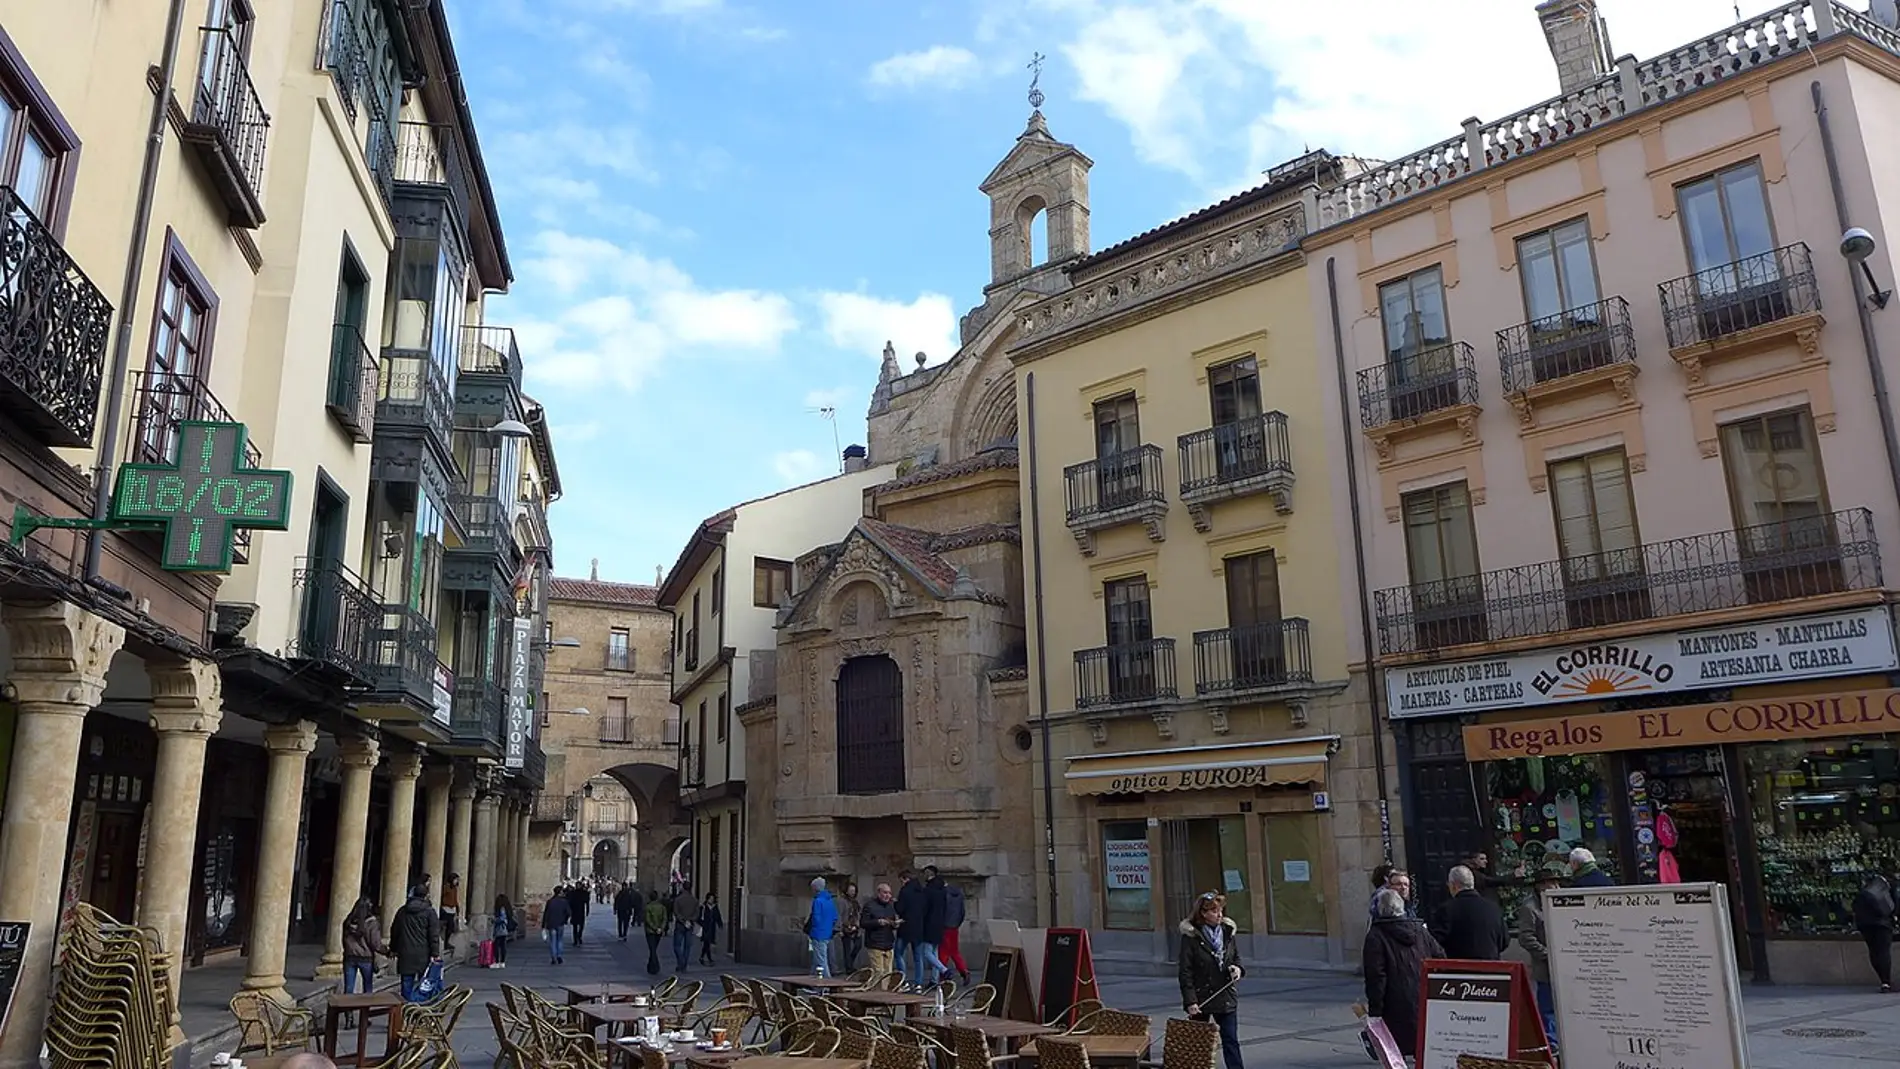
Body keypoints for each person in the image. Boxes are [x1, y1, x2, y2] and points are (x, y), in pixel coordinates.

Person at [1364, 888, 1443, 1064]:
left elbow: (1376, 976)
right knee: (1422, 1049)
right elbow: (1440, 958)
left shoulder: (1376, 935)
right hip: (1423, 996)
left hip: (1394, 1001)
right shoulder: (1420, 930)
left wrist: (1375, 1009)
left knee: (1395, 1054)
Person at [1178, 892, 1245, 1069]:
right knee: (1199, 1044)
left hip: (1225, 995)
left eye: (1220, 910)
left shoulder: (1228, 932)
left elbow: (1236, 958)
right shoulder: (1191, 937)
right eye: (1214, 911)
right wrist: (1190, 1001)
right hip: (1202, 998)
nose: (1219, 915)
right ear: (1203, 913)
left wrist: (1237, 969)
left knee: (1231, 1040)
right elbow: (1185, 972)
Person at [1517, 864, 1564, 1045]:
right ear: (1540, 886)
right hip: (1546, 967)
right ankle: (1552, 1045)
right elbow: (1525, 937)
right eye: (1551, 883)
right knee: (1548, 1008)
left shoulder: (1561, 901)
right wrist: (1547, 954)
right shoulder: (1530, 908)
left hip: (1566, 964)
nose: (1556, 887)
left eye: (1556, 883)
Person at [1441, 865, 1508, 960]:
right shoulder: (1493, 908)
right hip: (1490, 965)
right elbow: (1504, 941)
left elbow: (1437, 942)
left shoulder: (1447, 909)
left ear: (1454, 885)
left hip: (1457, 966)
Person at [389, 883, 442, 1001]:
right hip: (423, 954)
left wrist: (393, 949)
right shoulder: (429, 912)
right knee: (425, 985)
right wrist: (435, 953)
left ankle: (407, 1008)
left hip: (405, 953)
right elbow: (433, 935)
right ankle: (423, 1007)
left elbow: (395, 931)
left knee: (406, 984)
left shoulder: (402, 911)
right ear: (426, 895)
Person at [1853, 871, 1895, 992]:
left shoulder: (1864, 892)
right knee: (1883, 951)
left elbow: (1854, 907)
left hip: (1865, 925)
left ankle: (1883, 980)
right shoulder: (1887, 888)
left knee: (1874, 951)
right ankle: (1886, 981)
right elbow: (1893, 907)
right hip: (1882, 924)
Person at [340, 897, 388, 995]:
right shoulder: (371, 923)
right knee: (368, 988)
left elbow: (344, 940)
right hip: (366, 958)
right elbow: (375, 943)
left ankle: (347, 1005)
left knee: (348, 988)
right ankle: (366, 1005)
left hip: (350, 957)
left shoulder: (348, 921)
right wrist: (386, 951)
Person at [894, 869, 926, 985]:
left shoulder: (905, 891)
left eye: (901, 880)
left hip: (905, 926)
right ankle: (919, 983)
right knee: (918, 957)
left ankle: (903, 981)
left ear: (905, 879)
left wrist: (896, 903)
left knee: (898, 954)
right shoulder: (921, 891)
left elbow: (900, 908)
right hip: (918, 927)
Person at [938, 872, 970, 984]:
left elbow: (941, 911)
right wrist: (957, 923)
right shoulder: (958, 893)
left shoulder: (943, 893)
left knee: (943, 952)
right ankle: (964, 970)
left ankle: (943, 975)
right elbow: (962, 912)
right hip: (955, 926)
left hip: (944, 926)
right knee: (954, 951)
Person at [862, 882, 900, 977]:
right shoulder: (869, 905)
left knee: (888, 973)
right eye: (885, 892)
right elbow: (863, 923)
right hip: (875, 943)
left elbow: (892, 921)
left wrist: (895, 924)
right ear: (879, 893)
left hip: (888, 944)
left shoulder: (890, 906)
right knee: (878, 973)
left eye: (889, 893)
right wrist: (878, 922)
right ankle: (876, 987)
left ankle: (884, 987)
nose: (888, 895)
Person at [806, 876, 838, 977]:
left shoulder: (818, 901)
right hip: (827, 932)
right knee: (818, 958)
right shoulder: (829, 900)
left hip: (818, 933)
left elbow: (816, 918)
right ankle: (812, 979)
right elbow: (835, 917)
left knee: (821, 960)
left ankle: (826, 981)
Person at [542, 886, 572, 965]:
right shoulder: (564, 902)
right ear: (560, 892)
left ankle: (553, 957)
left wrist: (544, 925)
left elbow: (546, 914)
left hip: (551, 923)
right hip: (560, 923)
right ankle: (559, 956)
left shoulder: (550, 902)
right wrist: (565, 919)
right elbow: (569, 912)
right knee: (559, 940)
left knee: (553, 941)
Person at [838, 882, 864, 973]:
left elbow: (858, 914)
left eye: (854, 890)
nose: (852, 892)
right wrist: (840, 929)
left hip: (856, 927)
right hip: (846, 927)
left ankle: (850, 962)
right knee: (847, 949)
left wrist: (858, 925)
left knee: (858, 945)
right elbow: (839, 915)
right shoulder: (842, 901)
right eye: (851, 890)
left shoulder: (856, 902)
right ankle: (848, 967)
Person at [644, 890, 670, 975]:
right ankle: (650, 966)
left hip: (650, 931)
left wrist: (654, 928)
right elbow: (665, 918)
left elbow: (648, 919)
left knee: (652, 949)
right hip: (659, 931)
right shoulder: (662, 907)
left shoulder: (648, 907)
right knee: (654, 948)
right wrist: (661, 928)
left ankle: (655, 966)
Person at [672, 887, 698, 971]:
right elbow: (697, 914)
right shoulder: (694, 900)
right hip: (690, 925)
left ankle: (681, 962)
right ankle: (684, 965)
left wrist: (683, 920)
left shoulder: (678, 900)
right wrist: (690, 920)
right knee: (687, 946)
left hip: (680, 925)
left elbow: (676, 912)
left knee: (677, 945)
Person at [490, 894, 515, 969]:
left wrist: (494, 920)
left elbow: (502, 918)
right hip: (504, 929)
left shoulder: (502, 909)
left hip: (500, 929)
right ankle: (502, 962)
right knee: (502, 946)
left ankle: (497, 962)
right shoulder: (506, 908)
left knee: (496, 945)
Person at [698, 892, 723, 965]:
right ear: (707, 899)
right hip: (705, 927)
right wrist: (702, 924)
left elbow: (718, 915)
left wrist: (720, 923)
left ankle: (702, 957)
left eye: (712, 899)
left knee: (707, 943)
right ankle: (709, 959)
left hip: (712, 927)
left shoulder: (715, 907)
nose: (711, 900)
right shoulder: (703, 907)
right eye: (710, 899)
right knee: (707, 942)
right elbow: (699, 917)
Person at [565, 881, 589, 946]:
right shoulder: (574, 893)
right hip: (575, 911)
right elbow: (569, 902)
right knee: (575, 926)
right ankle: (576, 939)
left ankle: (578, 937)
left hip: (579, 911)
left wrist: (587, 911)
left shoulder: (581, 893)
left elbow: (587, 903)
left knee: (580, 925)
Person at [438, 874, 459, 939]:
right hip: (446, 909)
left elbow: (455, 899)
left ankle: (447, 941)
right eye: (455, 879)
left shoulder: (455, 888)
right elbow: (442, 896)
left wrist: (457, 909)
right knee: (445, 927)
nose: (456, 881)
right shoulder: (446, 887)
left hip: (452, 910)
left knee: (451, 928)